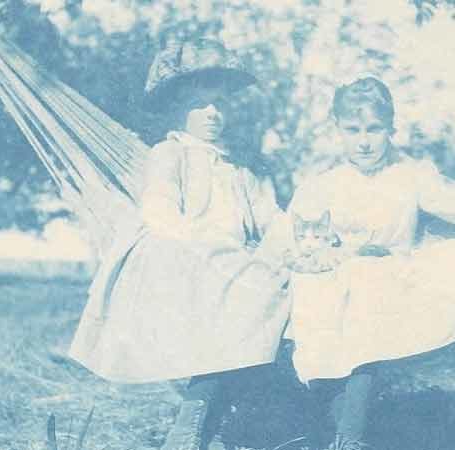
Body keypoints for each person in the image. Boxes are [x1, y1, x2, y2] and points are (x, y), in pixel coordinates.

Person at [285, 77, 455, 449]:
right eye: (353, 131)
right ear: (337, 131)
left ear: (391, 129)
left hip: (387, 275)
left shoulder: (411, 175)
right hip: (331, 279)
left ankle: (349, 437)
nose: (364, 141)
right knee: (315, 309)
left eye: (375, 129)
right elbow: (292, 237)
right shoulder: (324, 184)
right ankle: (338, 431)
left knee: (364, 304)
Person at [67, 39, 290, 450]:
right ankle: (194, 428)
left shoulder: (241, 164)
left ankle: (211, 425)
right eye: (199, 104)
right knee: (243, 302)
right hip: (181, 258)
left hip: (233, 265)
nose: (212, 114)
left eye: (220, 103)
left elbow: (270, 218)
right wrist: (210, 247)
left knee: (271, 293)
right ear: (176, 108)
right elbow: (160, 213)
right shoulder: (170, 155)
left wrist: (289, 243)